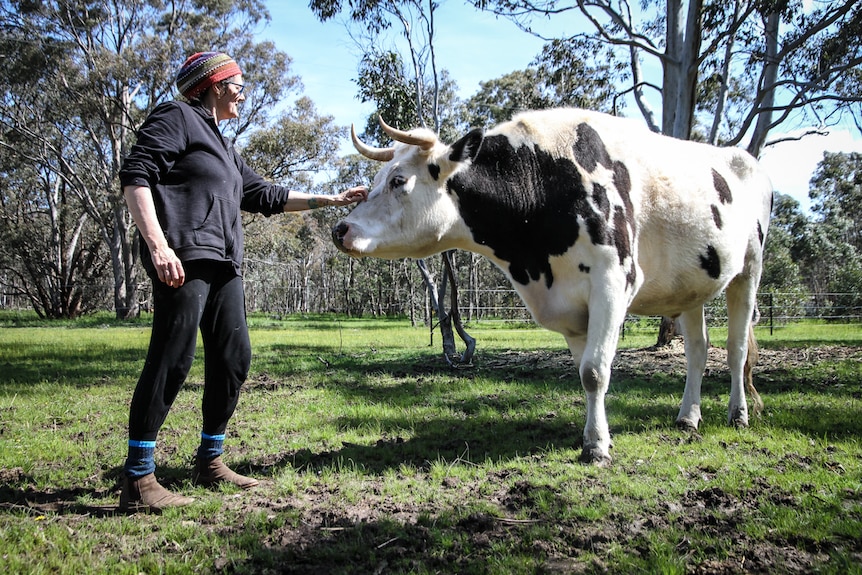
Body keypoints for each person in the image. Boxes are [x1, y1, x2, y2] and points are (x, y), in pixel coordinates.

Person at [118, 51, 367, 512]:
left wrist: (332, 198)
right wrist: (158, 245)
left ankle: (210, 461)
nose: (244, 91)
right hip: (185, 254)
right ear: (215, 85)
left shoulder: (224, 146)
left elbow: (264, 195)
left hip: (224, 262)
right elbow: (137, 176)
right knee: (173, 357)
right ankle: (137, 478)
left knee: (234, 357)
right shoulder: (177, 116)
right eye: (239, 82)